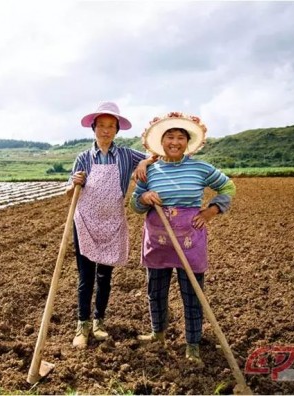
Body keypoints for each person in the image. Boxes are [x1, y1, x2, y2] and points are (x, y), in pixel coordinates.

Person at [130, 111, 236, 365]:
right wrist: (143, 198)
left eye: (180, 137)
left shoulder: (200, 168)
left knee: (192, 293)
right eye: (170, 137)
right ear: (161, 141)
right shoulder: (150, 170)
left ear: (187, 143)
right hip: (158, 240)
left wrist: (211, 211)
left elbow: (228, 187)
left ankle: (193, 344)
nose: (175, 142)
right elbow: (136, 205)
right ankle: (158, 334)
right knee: (156, 292)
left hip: (190, 240)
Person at [66, 101, 157, 349]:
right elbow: (67, 190)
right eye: (102, 125)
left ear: (117, 130)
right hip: (85, 221)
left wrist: (143, 164)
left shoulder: (126, 155)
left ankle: (99, 322)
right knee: (85, 276)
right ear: (94, 128)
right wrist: (74, 182)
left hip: (112, 221)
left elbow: (157, 157)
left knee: (105, 276)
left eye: (111, 126)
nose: (106, 130)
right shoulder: (83, 157)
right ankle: (82, 326)